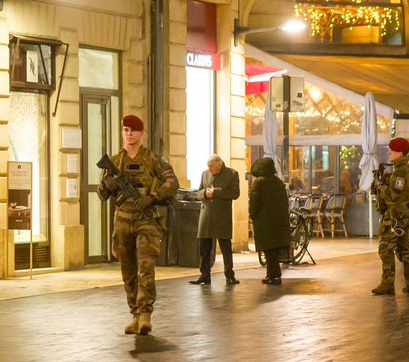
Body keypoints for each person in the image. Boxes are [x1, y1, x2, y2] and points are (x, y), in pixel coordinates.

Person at [98, 114, 179, 335]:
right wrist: (107, 183)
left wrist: (152, 197)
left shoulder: (153, 160)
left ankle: (145, 314)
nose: (129, 134)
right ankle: (134, 313)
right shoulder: (115, 162)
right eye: (126, 130)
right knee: (128, 271)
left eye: (133, 130)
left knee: (146, 268)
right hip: (123, 220)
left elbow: (172, 182)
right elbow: (102, 195)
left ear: (142, 133)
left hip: (146, 221)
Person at [372, 137, 409, 295]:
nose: (389, 153)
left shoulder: (400, 171)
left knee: (385, 249)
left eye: (392, 151)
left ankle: (387, 284)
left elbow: (393, 195)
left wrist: (381, 186)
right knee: (404, 250)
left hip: (395, 217)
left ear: (399, 153)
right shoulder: (406, 169)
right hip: (402, 216)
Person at [191, 154, 240, 286]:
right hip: (206, 215)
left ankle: (229, 275)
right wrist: (205, 194)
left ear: (219, 165)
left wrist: (216, 192)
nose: (209, 169)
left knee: (225, 247)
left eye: (211, 166)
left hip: (222, 215)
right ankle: (204, 275)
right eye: (208, 166)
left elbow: (235, 194)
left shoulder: (232, 174)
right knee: (204, 248)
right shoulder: (204, 174)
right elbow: (198, 192)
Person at [249, 157, 289, 284]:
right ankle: (271, 275)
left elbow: (254, 202)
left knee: (268, 250)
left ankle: (274, 276)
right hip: (278, 220)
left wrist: (252, 214)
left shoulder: (259, 182)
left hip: (264, 221)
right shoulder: (278, 181)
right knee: (273, 250)